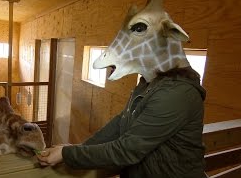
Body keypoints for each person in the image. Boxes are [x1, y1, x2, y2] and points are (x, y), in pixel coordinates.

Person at [37, 67, 207, 178]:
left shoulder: (176, 93)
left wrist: (67, 154)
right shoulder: (147, 83)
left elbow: (127, 150)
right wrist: (78, 149)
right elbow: (121, 123)